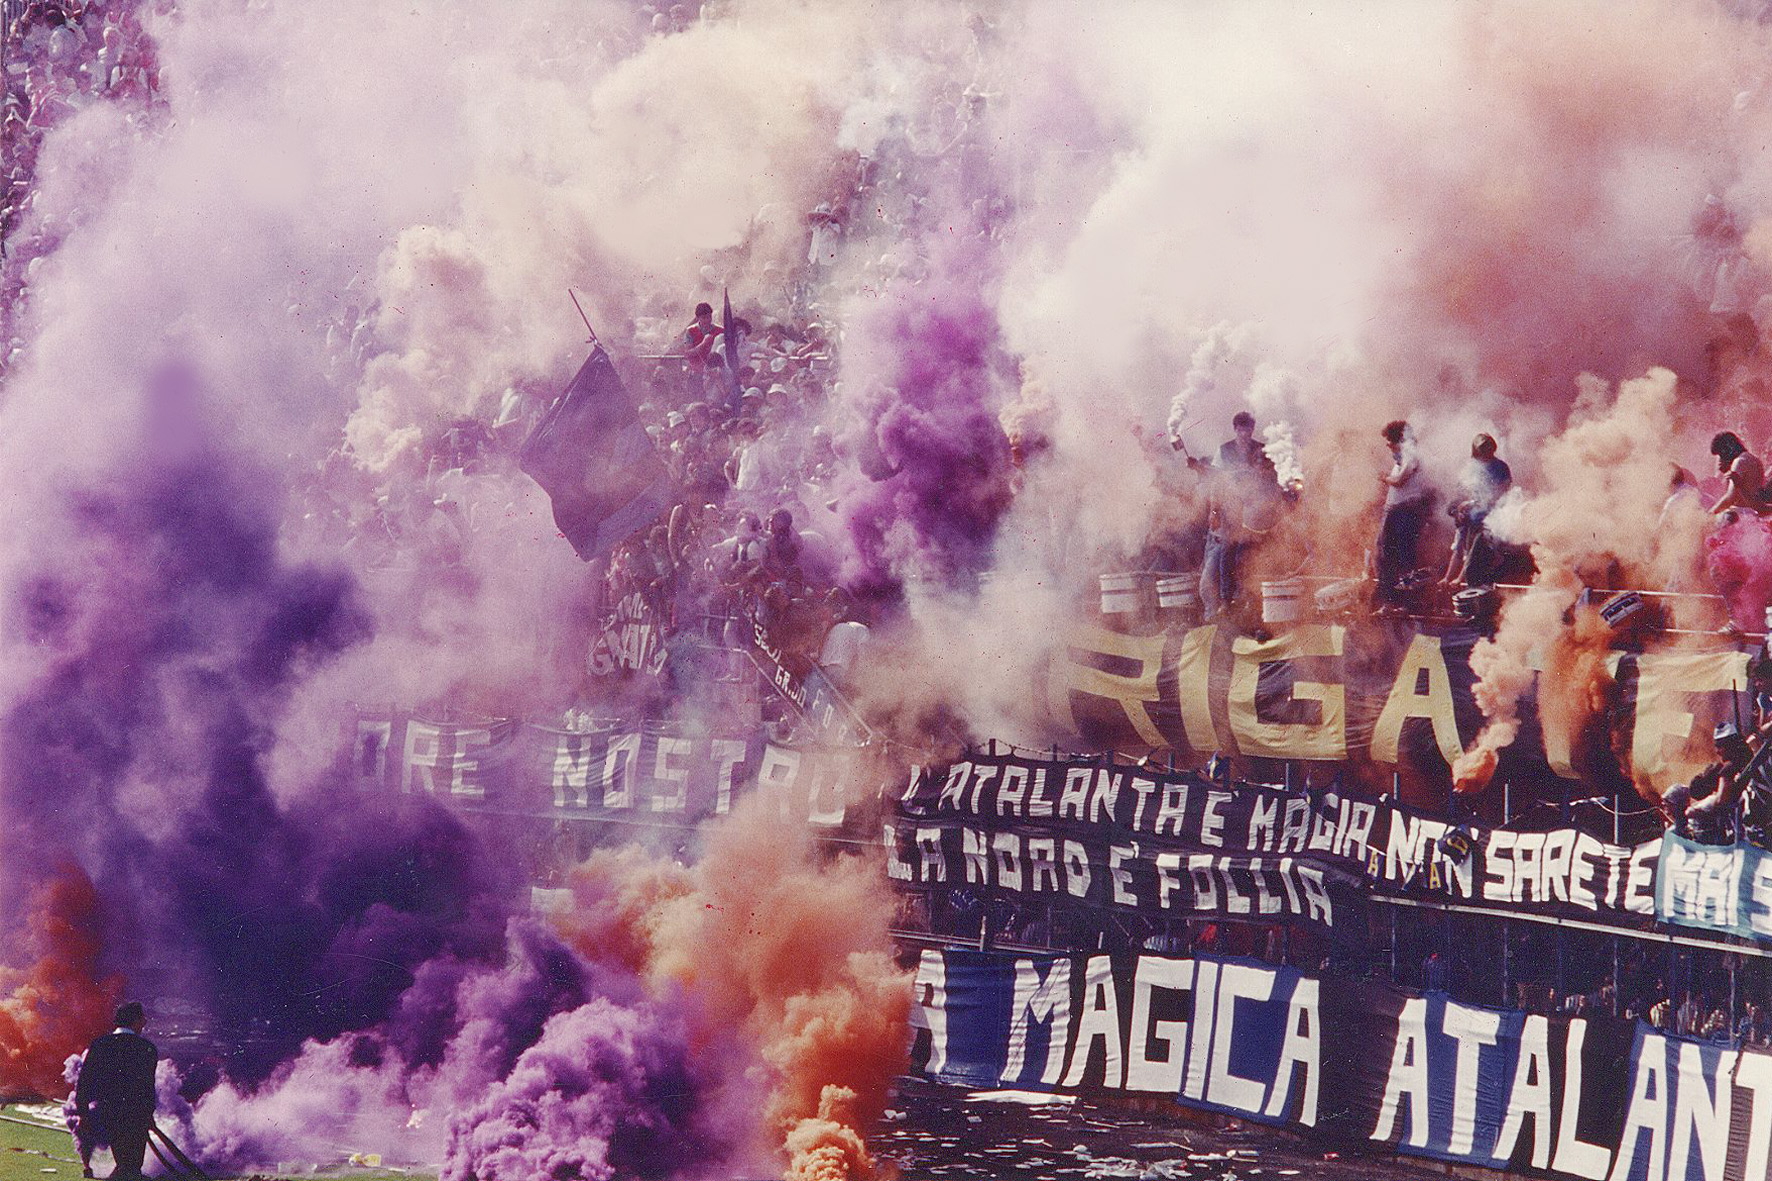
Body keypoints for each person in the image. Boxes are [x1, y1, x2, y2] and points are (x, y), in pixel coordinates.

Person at [73, 1001, 158, 1180]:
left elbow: (84, 1083)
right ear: (135, 1021)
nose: (145, 1022)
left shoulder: (99, 1045)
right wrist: (149, 1115)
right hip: (136, 1117)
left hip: (107, 1114)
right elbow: (147, 1088)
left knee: (126, 1166)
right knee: (131, 1167)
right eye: (142, 1018)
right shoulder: (147, 1048)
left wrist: (83, 1114)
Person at [1442, 433, 1512, 588]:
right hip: (1472, 521)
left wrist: (1472, 503)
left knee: (1474, 561)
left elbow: (1500, 494)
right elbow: (1462, 491)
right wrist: (1462, 508)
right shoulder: (1471, 467)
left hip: (1490, 522)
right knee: (1468, 556)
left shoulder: (1500, 468)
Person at [1375, 419, 1431, 611]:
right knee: (1386, 555)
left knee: (1403, 556)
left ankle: (1407, 603)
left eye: (1389, 440)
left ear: (1398, 439)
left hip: (1405, 511)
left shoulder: (1411, 455)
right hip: (1395, 510)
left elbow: (1400, 480)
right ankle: (1390, 601)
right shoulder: (1402, 456)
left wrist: (1384, 478)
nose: (1387, 444)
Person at [1709, 431, 1766, 516]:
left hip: (1741, 513)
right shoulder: (1753, 459)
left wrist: (1709, 514)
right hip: (1752, 512)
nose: (1720, 459)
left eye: (1721, 455)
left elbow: (1730, 498)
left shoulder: (1739, 462)